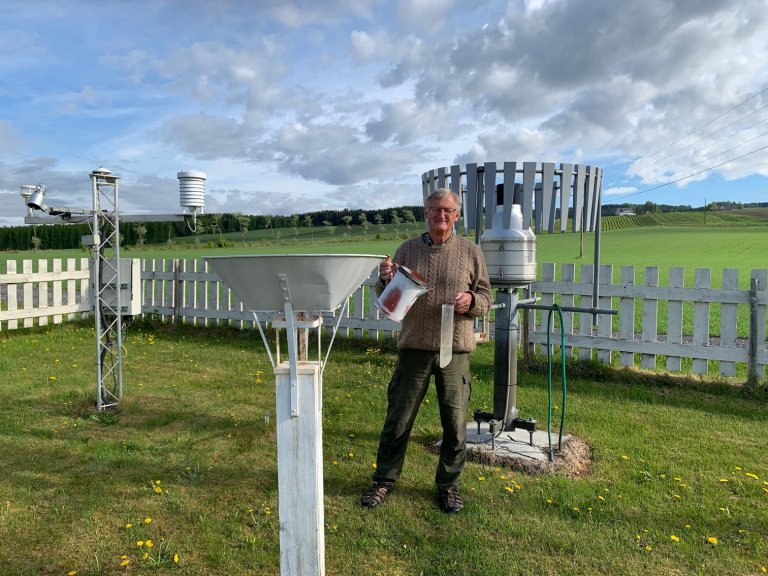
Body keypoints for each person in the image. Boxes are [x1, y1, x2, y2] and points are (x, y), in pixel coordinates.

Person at [361, 188, 492, 514]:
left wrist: (472, 302)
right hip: (414, 348)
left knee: (455, 423)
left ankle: (448, 486)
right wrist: (384, 279)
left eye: (448, 210)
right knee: (398, 419)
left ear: (457, 215)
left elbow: (486, 298)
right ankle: (383, 480)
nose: (441, 216)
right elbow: (388, 297)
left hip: (454, 350)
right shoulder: (407, 249)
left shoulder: (471, 252)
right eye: (435, 210)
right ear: (425, 213)